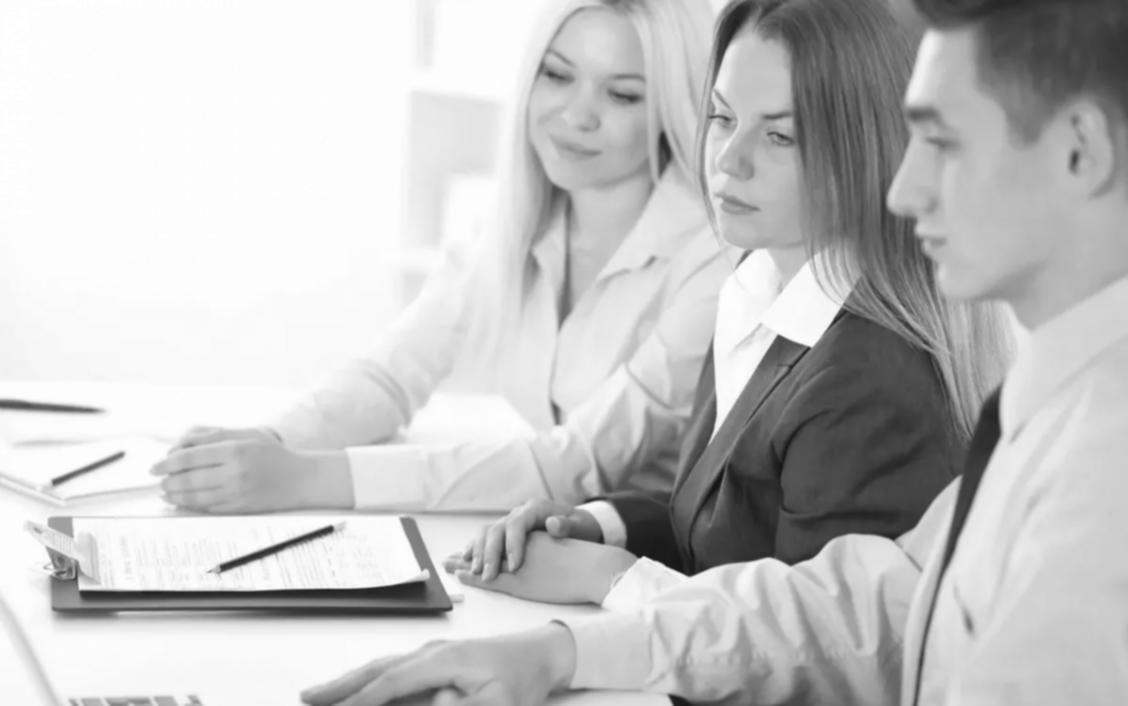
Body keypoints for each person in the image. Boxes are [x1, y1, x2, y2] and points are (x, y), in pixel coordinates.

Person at [299, 0, 1128, 704]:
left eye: (941, 143)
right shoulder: (1045, 394)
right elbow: (852, 603)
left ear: (1082, 151)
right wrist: (565, 637)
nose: (904, 189)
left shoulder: (1091, 464)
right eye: (724, 119)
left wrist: (602, 586)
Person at [442, 0, 1011, 606]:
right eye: (722, 117)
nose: (728, 159)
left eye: (779, 135)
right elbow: (722, 526)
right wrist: (596, 524)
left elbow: (812, 644)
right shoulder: (757, 285)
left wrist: (608, 579)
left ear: (865, 153)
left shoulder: (871, 380)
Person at [151, 0, 725, 514]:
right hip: (539, 534)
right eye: (556, 75)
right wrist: (268, 444)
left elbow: (571, 465)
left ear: (672, 108)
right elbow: (391, 376)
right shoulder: (515, 224)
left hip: (644, 564)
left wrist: (304, 478)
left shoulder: (711, 257)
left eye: (622, 94)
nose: (576, 115)